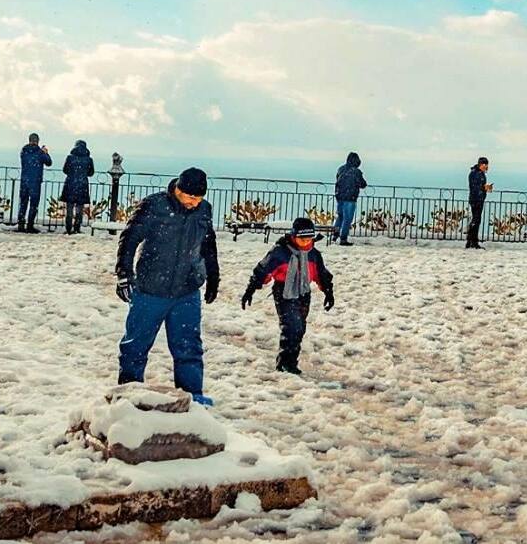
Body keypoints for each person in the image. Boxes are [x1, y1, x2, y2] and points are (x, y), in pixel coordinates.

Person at [115, 167, 220, 406]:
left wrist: (213, 277)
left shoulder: (204, 210)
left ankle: (192, 398)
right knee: (136, 346)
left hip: (186, 290)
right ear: (177, 190)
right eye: (189, 197)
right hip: (150, 289)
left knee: (189, 348)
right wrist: (123, 273)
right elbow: (130, 238)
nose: (194, 202)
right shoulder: (155, 206)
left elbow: (208, 244)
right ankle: (128, 396)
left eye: (198, 198)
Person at [242, 217, 335, 376]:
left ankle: (292, 361)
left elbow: (322, 275)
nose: (306, 243)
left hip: (304, 293)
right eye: (302, 239)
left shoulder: (313, 255)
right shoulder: (280, 253)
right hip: (284, 292)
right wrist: (251, 289)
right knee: (291, 326)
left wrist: (328, 292)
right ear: (293, 236)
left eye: (309, 240)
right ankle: (284, 363)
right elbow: (263, 270)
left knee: (300, 329)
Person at [16, 133, 51, 233]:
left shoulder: (24, 151)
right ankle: (30, 225)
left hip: (24, 180)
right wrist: (45, 152)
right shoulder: (40, 153)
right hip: (35, 182)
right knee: (33, 204)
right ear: (37, 141)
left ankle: (21, 224)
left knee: (23, 203)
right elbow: (49, 162)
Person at [333, 151, 367, 247]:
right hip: (350, 198)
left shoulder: (341, 169)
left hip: (340, 197)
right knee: (347, 219)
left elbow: (338, 180)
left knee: (340, 217)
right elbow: (362, 184)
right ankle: (343, 239)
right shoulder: (356, 172)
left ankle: (335, 235)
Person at [61, 140, 95, 234]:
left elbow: (65, 170)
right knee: (80, 209)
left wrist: (72, 174)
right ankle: (77, 227)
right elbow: (91, 173)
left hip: (70, 184)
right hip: (82, 185)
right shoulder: (88, 159)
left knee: (69, 208)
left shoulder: (70, 158)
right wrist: (83, 174)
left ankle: (68, 228)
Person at [466, 157, 491, 249]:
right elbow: (474, 187)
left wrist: (485, 188)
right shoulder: (474, 173)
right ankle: (472, 241)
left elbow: (477, 186)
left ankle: (470, 241)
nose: (486, 166)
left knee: (476, 220)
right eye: (484, 164)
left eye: (487, 164)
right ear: (480, 164)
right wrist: (484, 188)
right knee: (476, 220)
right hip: (475, 199)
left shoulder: (480, 173)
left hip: (479, 199)